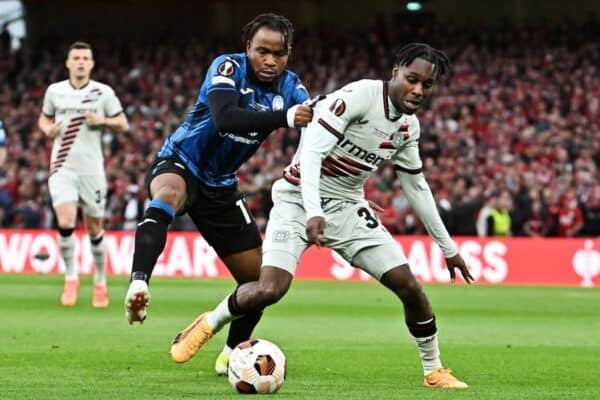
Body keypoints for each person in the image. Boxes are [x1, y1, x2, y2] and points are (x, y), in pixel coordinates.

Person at [168, 43, 473, 389]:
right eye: (412, 79)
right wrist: (313, 212)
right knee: (270, 289)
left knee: (408, 285)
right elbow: (311, 154)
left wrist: (448, 249)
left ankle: (434, 371)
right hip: (298, 199)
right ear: (395, 73)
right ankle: (210, 322)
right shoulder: (358, 97)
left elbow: (417, 188)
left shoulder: (408, 128)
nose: (418, 90)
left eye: (427, 85)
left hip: (346, 207)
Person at [124, 13, 312, 376]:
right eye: (262, 52)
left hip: (222, 186)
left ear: (289, 54)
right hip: (181, 161)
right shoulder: (227, 67)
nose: (270, 61)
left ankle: (230, 356)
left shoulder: (292, 88)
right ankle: (138, 285)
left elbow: (313, 128)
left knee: (259, 282)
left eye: (279, 53)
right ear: (247, 48)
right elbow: (225, 118)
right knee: (165, 197)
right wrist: (286, 118)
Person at [38, 41, 129, 307]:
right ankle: (70, 278)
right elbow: (43, 119)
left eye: (85, 58)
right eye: (75, 58)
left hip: (92, 171)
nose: (80, 62)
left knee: (94, 227)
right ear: (68, 63)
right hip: (62, 167)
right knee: (65, 221)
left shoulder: (103, 93)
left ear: (91, 64)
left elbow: (123, 123)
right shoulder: (55, 92)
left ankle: (100, 282)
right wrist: (47, 129)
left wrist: (103, 121)